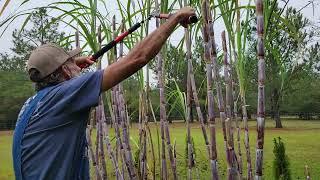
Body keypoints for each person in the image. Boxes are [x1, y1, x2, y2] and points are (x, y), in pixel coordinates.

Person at [12, 7, 196, 180]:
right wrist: (176, 18)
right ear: (65, 72)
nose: (79, 68)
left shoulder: (36, 102)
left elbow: (61, 78)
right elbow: (137, 58)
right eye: (71, 63)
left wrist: (70, 66)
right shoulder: (64, 95)